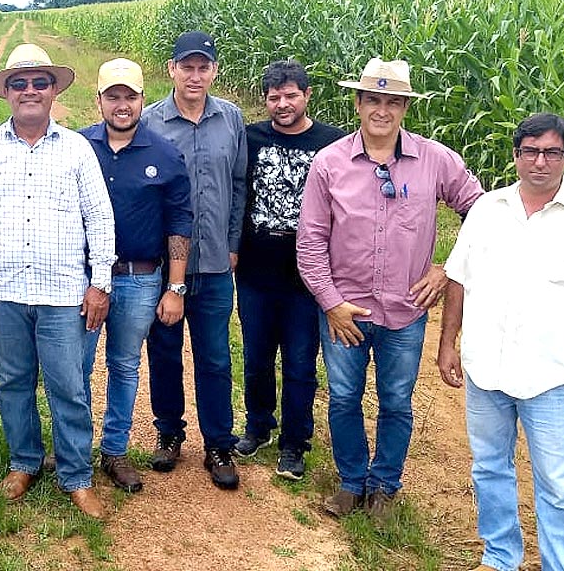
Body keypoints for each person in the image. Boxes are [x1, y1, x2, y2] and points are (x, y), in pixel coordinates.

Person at [296, 57, 483, 521]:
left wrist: (445, 268)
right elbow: (311, 241)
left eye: (393, 102)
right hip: (346, 311)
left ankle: (384, 487)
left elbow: (481, 214)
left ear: (404, 108)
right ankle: (350, 481)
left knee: (396, 401)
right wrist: (331, 303)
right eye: (373, 100)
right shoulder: (329, 163)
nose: (382, 110)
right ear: (358, 103)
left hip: (406, 310)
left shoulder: (435, 159)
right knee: (343, 397)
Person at [0, 43, 115, 519]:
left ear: (52, 90)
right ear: (7, 93)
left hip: (64, 293)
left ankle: (76, 476)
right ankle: (24, 461)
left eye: (39, 82)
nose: (29, 91)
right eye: (19, 83)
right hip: (3, 293)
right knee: (13, 382)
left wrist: (99, 282)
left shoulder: (77, 149)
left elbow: (100, 220)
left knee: (68, 385)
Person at [438, 112, 564, 571]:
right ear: (516, 155)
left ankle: (560, 565)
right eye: (530, 151)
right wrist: (448, 343)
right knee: (488, 469)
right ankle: (500, 556)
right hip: (487, 369)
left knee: (559, 486)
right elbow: (458, 278)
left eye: (551, 153)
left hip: (555, 375)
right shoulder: (487, 210)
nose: (540, 161)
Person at [79, 58, 192, 493]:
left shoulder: (165, 154)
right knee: (79, 364)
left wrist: (175, 288)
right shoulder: (79, 146)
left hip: (141, 278)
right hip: (88, 278)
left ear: (143, 99)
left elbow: (180, 223)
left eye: (130, 96)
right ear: (100, 100)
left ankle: (115, 451)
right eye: (113, 96)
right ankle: (76, 447)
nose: (121, 105)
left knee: (124, 365)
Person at [140, 31, 247, 490]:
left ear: (214, 71)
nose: (196, 75)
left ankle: (218, 443)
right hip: (164, 265)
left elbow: (241, 184)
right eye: (188, 67)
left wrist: (234, 242)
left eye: (204, 67)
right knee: (163, 353)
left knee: (215, 358)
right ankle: (168, 433)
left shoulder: (232, 119)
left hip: (217, 265)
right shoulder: (149, 122)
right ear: (172, 69)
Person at [234, 60, 345, 481]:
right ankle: (258, 426)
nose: (282, 104)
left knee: (300, 362)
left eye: (290, 95)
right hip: (256, 271)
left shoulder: (331, 144)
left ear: (307, 95)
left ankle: (295, 443)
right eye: (274, 97)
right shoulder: (252, 138)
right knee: (257, 356)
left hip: (307, 279)